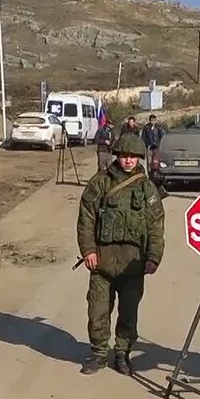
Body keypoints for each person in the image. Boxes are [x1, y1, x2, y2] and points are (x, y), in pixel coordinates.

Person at [76, 133, 166, 376]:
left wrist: (154, 257)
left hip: (132, 264)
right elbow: (86, 218)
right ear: (117, 156)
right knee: (97, 312)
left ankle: (122, 353)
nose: (128, 161)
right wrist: (88, 250)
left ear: (139, 159)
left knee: (128, 312)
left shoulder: (147, 188)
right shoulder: (101, 182)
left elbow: (155, 225)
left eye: (133, 157)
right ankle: (98, 354)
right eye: (124, 156)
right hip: (102, 262)